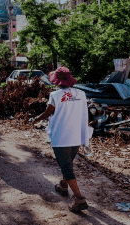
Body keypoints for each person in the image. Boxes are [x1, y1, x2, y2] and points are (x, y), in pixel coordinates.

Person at [32, 67, 90, 212]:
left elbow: (47, 113)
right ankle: (64, 186)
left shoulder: (55, 95)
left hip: (61, 136)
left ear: (57, 82)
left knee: (66, 167)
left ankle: (79, 199)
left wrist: (36, 119)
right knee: (68, 163)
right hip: (77, 135)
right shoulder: (81, 94)